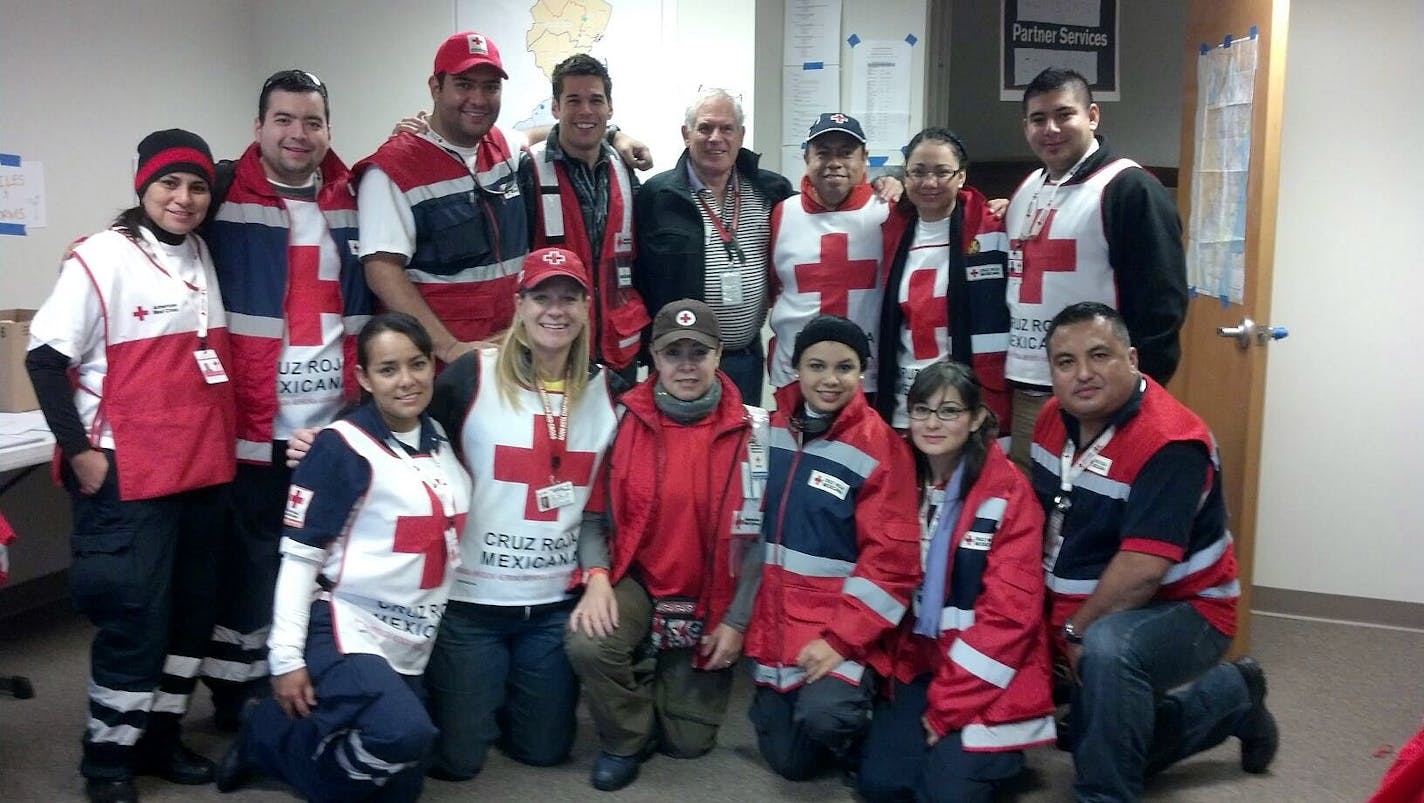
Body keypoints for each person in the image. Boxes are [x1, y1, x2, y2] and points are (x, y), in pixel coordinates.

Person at [25, 129, 234, 803]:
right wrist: (80, 453)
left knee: (189, 619)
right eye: (169, 183)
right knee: (135, 619)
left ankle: (160, 737)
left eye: (197, 186)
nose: (184, 197)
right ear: (142, 185)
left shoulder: (203, 251)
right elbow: (44, 359)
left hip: (201, 470)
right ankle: (108, 758)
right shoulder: (100, 257)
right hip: (129, 476)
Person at [216, 312, 471, 802]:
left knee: (402, 786)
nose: (406, 381)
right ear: (363, 379)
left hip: (412, 635)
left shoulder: (438, 437)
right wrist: (285, 660)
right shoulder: (341, 447)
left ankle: (269, 727)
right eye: (388, 369)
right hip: (343, 624)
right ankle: (274, 748)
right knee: (404, 734)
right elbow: (297, 560)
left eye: (417, 364)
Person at [1032, 302, 1277, 801]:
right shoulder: (1050, 420)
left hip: (1187, 609)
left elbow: (1143, 571)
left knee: (1107, 656)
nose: (1083, 374)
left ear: (1133, 359)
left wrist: (1075, 630)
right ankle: (1227, 700)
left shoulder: (1170, 443)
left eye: (1100, 355)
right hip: (1097, 604)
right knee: (1098, 736)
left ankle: (1106, 792)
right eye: (1065, 361)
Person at [200, 68, 372, 728]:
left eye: (312, 121)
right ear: (258, 127)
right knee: (245, 571)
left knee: (322, 563)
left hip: (329, 430)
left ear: (328, 128)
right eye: (284, 120)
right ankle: (234, 699)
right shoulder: (220, 194)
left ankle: (312, 680)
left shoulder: (353, 197)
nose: (298, 134)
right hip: (248, 430)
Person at [421, 246, 621, 780]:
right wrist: (332, 439)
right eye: (542, 297)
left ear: (586, 308)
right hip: (472, 605)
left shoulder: (609, 391)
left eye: (569, 299)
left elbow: (611, 499)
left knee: (544, 750)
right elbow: (403, 419)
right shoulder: (472, 374)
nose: (555, 310)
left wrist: (599, 574)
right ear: (519, 303)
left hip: (552, 606)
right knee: (459, 762)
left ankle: (510, 691)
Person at [564, 299, 769, 791]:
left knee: (687, 744)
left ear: (719, 355)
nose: (685, 365)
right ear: (653, 357)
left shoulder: (758, 433)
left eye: (698, 352)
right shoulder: (620, 422)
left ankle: (657, 670)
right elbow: (593, 518)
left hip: (711, 597)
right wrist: (595, 579)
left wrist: (737, 621)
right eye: (672, 352)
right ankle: (625, 739)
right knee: (588, 643)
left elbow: (766, 540)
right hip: (639, 584)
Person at [355, 33, 650, 367]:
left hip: (511, 353)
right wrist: (449, 347)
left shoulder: (500, 147)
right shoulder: (393, 170)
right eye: (464, 85)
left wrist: (614, 133)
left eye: (491, 87)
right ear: (435, 88)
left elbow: (554, 133)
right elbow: (382, 272)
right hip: (440, 365)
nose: (478, 98)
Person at [857, 360, 1055, 803]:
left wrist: (947, 709)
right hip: (922, 659)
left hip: (992, 671)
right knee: (882, 786)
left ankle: (999, 757)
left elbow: (1010, 620)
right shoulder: (900, 478)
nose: (932, 423)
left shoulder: (1008, 493)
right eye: (922, 410)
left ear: (976, 419)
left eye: (948, 412)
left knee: (945, 792)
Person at [744, 315, 921, 781]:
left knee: (827, 719)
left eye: (844, 367)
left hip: (842, 629)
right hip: (777, 624)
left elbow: (892, 566)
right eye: (816, 365)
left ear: (860, 372)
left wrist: (840, 641)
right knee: (789, 763)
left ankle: (867, 716)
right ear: (796, 369)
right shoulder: (771, 431)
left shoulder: (881, 447)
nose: (829, 379)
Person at [1004, 67, 1188, 470]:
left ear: (1092, 116)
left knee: (1097, 512)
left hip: (1102, 393)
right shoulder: (1027, 189)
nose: (1050, 129)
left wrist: (1140, 395)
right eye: (1038, 119)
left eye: (1064, 114)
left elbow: (1162, 306)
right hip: (1029, 388)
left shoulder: (1128, 188)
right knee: (1030, 511)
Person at [634, 89, 795, 404]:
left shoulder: (770, 190)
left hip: (745, 358)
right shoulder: (657, 196)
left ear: (741, 135)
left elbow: (820, 209)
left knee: (740, 447)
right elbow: (639, 276)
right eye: (705, 128)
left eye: (726, 128)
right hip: (682, 360)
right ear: (686, 134)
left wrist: (888, 182)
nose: (715, 138)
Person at [518, 54, 651, 383]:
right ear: (555, 108)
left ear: (610, 108)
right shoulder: (528, 170)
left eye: (596, 100)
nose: (586, 111)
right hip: (551, 349)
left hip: (619, 352)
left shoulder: (626, 169)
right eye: (573, 100)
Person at [876, 128, 1011, 431]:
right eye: (918, 172)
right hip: (905, 400)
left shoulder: (993, 226)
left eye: (942, 172)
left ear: (961, 176)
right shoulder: (890, 229)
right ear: (905, 175)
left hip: (968, 397)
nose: (929, 183)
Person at [766, 114, 892, 394]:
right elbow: (773, 288)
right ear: (807, 158)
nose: (834, 163)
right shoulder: (783, 213)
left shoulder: (887, 211)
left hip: (866, 376)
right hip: (794, 375)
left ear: (865, 159)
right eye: (823, 153)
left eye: (846, 153)